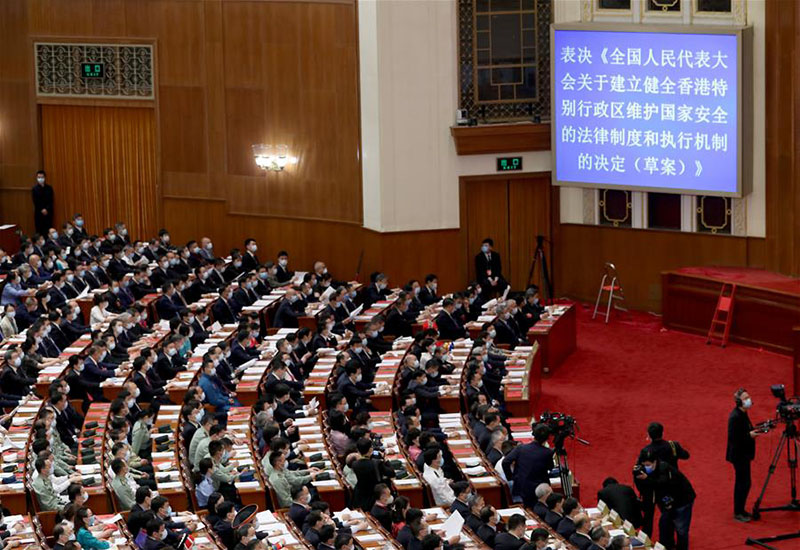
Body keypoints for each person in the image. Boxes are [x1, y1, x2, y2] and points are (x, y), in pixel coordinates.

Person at [636, 421, 690, 535]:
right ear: (662, 433)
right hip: (669, 486)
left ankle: (646, 539)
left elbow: (638, 469)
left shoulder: (646, 451)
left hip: (651, 487)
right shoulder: (672, 446)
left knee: (648, 515)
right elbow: (686, 455)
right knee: (668, 514)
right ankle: (668, 542)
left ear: (649, 435)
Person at [636, 450, 695, 550]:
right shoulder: (649, 469)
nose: (646, 467)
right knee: (665, 524)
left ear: (655, 462)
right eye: (644, 465)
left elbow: (661, 483)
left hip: (682, 500)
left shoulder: (664, 469)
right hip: (666, 500)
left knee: (681, 529)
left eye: (648, 465)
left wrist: (646, 479)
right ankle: (668, 545)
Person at [726, 387, 762, 522]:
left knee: (745, 483)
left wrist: (755, 430)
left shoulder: (743, 413)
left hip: (744, 454)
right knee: (743, 483)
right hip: (739, 455)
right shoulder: (735, 417)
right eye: (745, 398)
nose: (749, 400)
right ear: (739, 402)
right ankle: (738, 511)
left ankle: (741, 510)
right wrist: (749, 435)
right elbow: (734, 438)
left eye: (748, 397)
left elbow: (745, 430)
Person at [502, 424, 554, 508]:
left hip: (520, 486)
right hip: (537, 491)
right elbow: (550, 467)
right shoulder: (547, 452)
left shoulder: (521, 448)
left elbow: (506, 461)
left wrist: (512, 477)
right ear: (547, 439)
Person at [32, 170, 54, 235]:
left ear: (44, 178)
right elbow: (35, 201)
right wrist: (42, 209)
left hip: (48, 213)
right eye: (39, 177)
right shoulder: (34, 189)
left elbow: (51, 201)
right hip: (39, 213)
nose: (40, 179)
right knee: (39, 231)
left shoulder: (49, 188)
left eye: (42, 177)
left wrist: (46, 209)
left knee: (48, 230)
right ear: (36, 178)